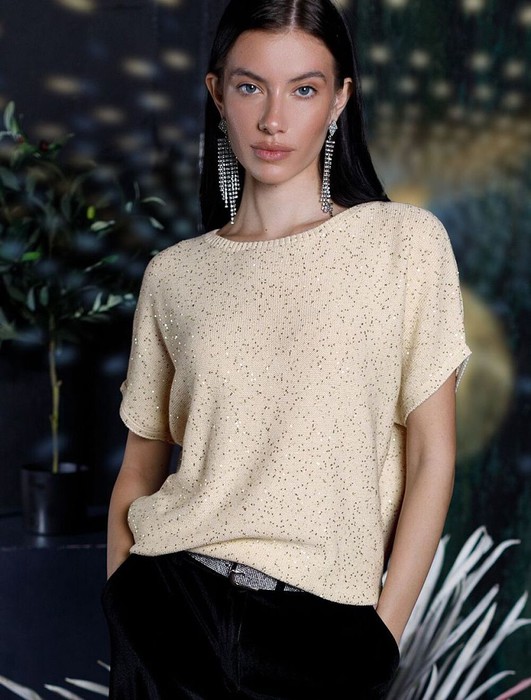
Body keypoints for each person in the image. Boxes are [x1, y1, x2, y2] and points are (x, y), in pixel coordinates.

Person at [102, 0, 472, 697]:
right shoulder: (175, 275)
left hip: (326, 628)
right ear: (218, 94)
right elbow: (138, 466)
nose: (273, 119)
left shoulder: (404, 244)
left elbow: (432, 456)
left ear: (339, 100)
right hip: (170, 606)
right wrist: (123, 592)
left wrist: (383, 634)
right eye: (250, 87)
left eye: (303, 89)